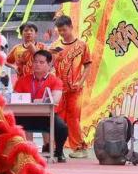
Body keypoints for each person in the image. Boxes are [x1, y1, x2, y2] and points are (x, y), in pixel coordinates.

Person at [13, 49, 68, 162]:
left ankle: (58, 152)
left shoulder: (56, 81)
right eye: (35, 61)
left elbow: (55, 99)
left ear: (49, 65)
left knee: (62, 127)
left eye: (41, 62)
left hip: (47, 117)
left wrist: (38, 101)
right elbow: (14, 98)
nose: (37, 64)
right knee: (7, 122)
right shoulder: (22, 80)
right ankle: (18, 151)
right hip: (25, 116)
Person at [50, 15, 92, 159]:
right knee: (58, 118)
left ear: (71, 27)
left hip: (75, 89)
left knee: (73, 118)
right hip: (59, 89)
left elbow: (88, 65)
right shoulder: (55, 46)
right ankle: (58, 148)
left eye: (64, 29)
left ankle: (80, 147)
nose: (62, 33)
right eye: (60, 30)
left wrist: (80, 82)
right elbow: (50, 66)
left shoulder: (82, 45)